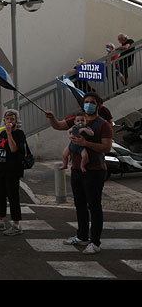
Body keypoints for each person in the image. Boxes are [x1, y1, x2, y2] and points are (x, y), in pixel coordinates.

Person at [44, 91, 113, 254]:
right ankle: (82, 236)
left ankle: (95, 242)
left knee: (94, 206)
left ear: (99, 105)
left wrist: (85, 143)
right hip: (76, 169)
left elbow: (107, 147)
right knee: (79, 204)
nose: (88, 104)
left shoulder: (103, 125)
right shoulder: (77, 119)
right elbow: (59, 125)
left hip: (95, 171)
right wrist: (51, 118)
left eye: (91, 102)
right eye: (86, 101)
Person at [0, 109, 26, 236]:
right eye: (7, 119)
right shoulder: (1, 134)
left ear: (16, 121)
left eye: (12, 119)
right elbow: (0, 151)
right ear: (4, 120)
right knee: (0, 196)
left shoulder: (19, 134)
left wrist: (9, 134)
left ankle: (16, 225)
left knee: (13, 197)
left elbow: (13, 149)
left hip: (13, 171)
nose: (9, 121)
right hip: (1, 170)